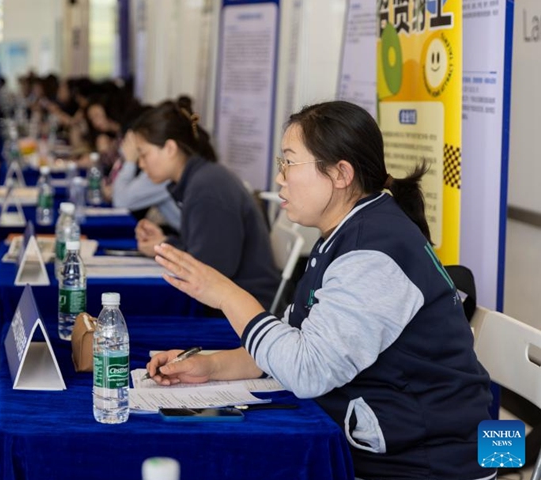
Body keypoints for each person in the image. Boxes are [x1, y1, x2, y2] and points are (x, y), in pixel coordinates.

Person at [146, 101, 494, 480]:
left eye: (290, 163)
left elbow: (308, 371)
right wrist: (210, 366)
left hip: (428, 463)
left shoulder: (374, 251)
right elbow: (293, 344)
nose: (280, 178)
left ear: (341, 173)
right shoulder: (346, 233)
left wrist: (226, 294)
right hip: (385, 444)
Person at [132, 97, 278, 309]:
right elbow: (203, 254)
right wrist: (164, 244)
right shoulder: (201, 179)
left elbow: (211, 271)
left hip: (241, 312)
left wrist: (164, 249)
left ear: (170, 148)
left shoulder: (207, 189)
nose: (140, 164)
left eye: (144, 154)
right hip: (230, 302)